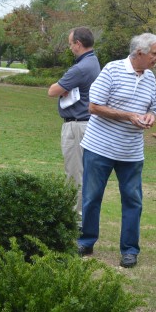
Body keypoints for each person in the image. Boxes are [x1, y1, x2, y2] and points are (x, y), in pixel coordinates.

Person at [77, 33, 156, 269]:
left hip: (131, 152)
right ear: (140, 53)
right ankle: (86, 241)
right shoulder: (112, 70)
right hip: (99, 148)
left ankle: (130, 250)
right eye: (155, 53)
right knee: (92, 197)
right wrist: (129, 116)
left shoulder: (150, 78)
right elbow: (93, 106)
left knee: (133, 201)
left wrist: (149, 117)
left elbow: (154, 109)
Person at [47, 27, 101, 216]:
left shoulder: (81, 67)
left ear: (78, 44)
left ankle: (76, 220)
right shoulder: (93, 61)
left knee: (74, 174)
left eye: (71, 44)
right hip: (87, 124)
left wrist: (62, 88)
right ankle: (83, 216)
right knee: (83, 173)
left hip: (77, 126)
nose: (70, 48)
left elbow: (52, 91)